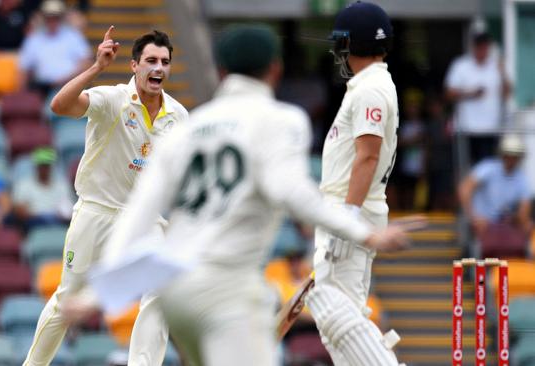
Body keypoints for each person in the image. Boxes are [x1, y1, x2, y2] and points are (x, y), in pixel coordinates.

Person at [67, 24, 421, 366]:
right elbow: (294, 193)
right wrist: (365, 233)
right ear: (275, 69)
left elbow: (139, 211)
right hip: (228, 289)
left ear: (221, 71)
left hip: (176, 292)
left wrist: (96, 293)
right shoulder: (281, 119)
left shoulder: (188, 127)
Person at [22, 27, 188, 366]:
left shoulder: (178, 116)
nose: (158, 68)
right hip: (97, 212)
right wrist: (96, 67)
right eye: (151, 61)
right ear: (134, 66)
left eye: (164, 62)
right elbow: (59, 105)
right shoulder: (111, 98)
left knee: (160, 289)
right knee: (67, 300)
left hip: (144, 217)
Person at [302, 2, 403, 365]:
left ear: (354, 44)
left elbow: (368, 156)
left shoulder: (371, 90)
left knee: (337, 315)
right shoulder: (369, 86)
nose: (338, 52)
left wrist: (346, 218)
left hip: (351, 210)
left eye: (341, 43)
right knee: (341, 321)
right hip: (350, 209)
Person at [444, 21, 511, 166]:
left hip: (491, 128)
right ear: (473, 47)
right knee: (467, 167)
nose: (482, 50)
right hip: (467, 128)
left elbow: (507, 94)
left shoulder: (496, 66)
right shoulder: (461, 65)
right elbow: (449, 94)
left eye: (485, 46)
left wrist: (503, 72)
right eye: (479, 46)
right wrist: (470, 94)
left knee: (489, 167)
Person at [458, 134, 532, 257]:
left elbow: (524, 211)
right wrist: (473, 216)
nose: (512, 159)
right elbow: (465, 189)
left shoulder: (522, 179)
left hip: (505, 226)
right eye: (509, 155)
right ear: (502, 155)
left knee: (525, 233)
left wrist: (524, 224)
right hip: (481, 224)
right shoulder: (487, 168)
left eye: (515, 156)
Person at [18, 0, 91, 96]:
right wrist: (21, 92)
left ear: (61, 18)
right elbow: (24, 68)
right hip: (41, 89)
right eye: (49, 17)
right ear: (44, 18)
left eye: (55, 17)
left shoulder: (74, 36)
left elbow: (86, 63)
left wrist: (68, 79)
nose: (52, 20)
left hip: (70, 86)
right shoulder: (34, 38)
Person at [12, 147, 74, 227]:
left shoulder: (62, 186)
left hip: (59, 222)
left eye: (47, 165)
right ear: (36, 166)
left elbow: (69, 211)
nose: (44, 168)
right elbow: (20, 212)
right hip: (34, 223)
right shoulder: (24, 185)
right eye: (41, 165)